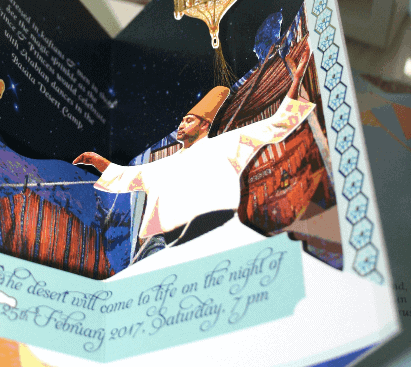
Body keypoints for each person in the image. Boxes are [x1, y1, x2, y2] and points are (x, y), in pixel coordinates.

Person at [73, 44, 313, 260]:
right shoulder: (164, 165)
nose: (181, 125)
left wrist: (297, 78)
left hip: (208, 236)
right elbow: (124, 176)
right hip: (159, 248)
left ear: (204, 125)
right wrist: (97, 161)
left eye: (188, 120)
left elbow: (277, 124)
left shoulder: (227, 144)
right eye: (182, 120)